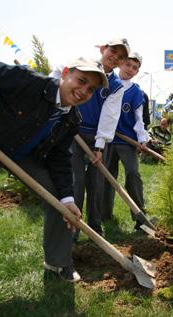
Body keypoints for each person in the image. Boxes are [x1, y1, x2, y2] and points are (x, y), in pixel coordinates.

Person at [0, 57, 108, 302]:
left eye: (91, 89)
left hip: (24, 156)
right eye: (81, 81)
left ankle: (57, 261)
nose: (83, 91)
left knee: (62, 202)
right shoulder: (30, 82)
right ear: (65, 73)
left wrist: (67, 197)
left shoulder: (72, 119)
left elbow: (59, 159)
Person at [50, 38, 130, 236]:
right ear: (103, 49)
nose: (115, 58)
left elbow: (109, 117)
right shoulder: (81, 66)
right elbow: (56, 80)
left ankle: (95, 227)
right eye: (113, 51)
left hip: (96, 136)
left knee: (96, 183)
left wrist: (100, 145)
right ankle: (73, 229)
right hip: (72, 132)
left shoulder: (116, 86)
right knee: (76, 180)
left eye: (121, 57)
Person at [101, 52, 148, 229]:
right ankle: (105, 214)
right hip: (107, 139)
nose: (130, 69)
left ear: (137, 72)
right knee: (107, 176)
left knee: (133, 173)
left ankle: (139, 217)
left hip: (127, 141)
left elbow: (138, 119)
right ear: (121, 64)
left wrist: (142, 138)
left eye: (135, 67)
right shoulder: (108, 84)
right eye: (128, 64)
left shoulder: (136, 92)